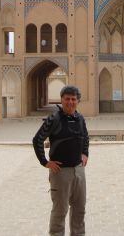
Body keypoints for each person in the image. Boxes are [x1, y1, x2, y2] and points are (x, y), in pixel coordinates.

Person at [32, 85, 89, 236]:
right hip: (60, 172)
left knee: (79, 209)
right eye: (67, 99)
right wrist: (45, 162)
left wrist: (85, 153)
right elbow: (37, 139)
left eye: (73, 99)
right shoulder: (54, 118)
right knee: (60, 212)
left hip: (78, 170)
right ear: (62, 100)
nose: (70, 102)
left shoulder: (80, 118)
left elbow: (85, 137)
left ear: (78, 101)